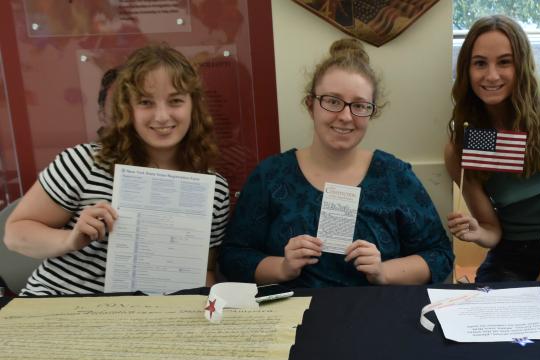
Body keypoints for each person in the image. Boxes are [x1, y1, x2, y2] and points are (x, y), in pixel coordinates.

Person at [219, 38, 452, 287]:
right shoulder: (271, 176)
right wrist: (283, 268)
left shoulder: (394, 176)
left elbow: (440, 255)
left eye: (360, 105)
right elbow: (233, 258)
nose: (345, 116)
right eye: (332, 101)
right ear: (311, 106)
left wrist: (383, 271)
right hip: (294, 321)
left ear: (372, 112)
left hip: (375, 317)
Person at [4, 43, 230, 295]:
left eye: (175, 101)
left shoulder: (214, 189)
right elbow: (15, 234)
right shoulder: (84, 162)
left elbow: (204, 271)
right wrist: (70, 239)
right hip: (59, 305)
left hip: (146, 322)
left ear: (193, 106)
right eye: (146, 102)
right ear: (128, 109)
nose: (162, 116)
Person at [444, 15, 540, 282]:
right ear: (466, 70)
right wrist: (476, 232)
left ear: (522, 65)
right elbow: (493, 231)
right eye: (479, 64)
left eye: (504, 62)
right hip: (510, 254)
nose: (491, 75)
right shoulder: (462, 144)